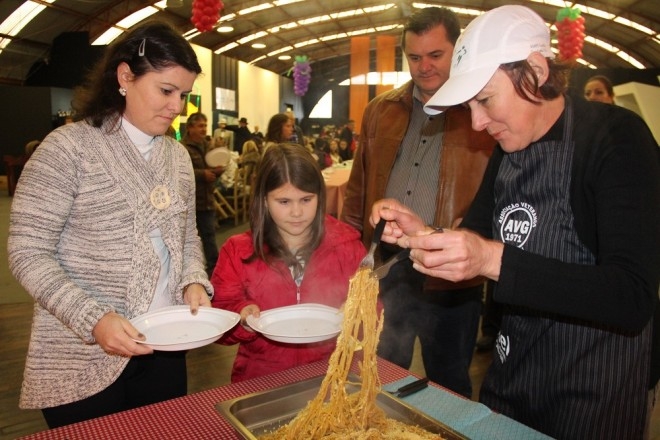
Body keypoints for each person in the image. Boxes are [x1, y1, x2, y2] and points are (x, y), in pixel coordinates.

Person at [373, 5, 660, 439]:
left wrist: (492, 260)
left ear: (535, 71)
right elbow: (477, 234)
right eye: (471, 105)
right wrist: (425, 234)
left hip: (592, 390)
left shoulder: (618, 140)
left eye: (485, 100)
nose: (478, 122)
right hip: (513, 375)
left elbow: (631, 296)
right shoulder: (508, 150)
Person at [7, 20, 213, 428]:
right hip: (81, 353)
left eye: (184, 95)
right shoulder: (67, 149)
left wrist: (192, 278)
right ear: (124, 76)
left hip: (164, 344)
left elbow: (187, 235)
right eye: (166, 91)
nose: (177, 107)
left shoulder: (177, 157)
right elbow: (27, 252)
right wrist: (93, 318)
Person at [341, 6, 496, 398]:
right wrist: (349, 252)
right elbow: (358, 188)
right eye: (414, 57)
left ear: (456, 51)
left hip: (452, 272)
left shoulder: (481, 112)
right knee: (380, 371)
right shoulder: (380, 111)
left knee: (449, 380)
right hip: (387, 265)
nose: (424, 67)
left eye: (435, 55)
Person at [210, 143, 366, 382]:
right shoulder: (237, 250)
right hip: (261, 378)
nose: (296, 212)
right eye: (283, 202)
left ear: (320, 196)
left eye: (306, 200)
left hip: (331, 374)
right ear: (263, 200)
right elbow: (220, 314)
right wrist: (241, 314)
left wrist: (356, 311)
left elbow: (372, 306)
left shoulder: (346, 245)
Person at [183, 112, 224, 277]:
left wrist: (218, 171)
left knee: (209, 238)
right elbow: (182, 173)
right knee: (189, 241)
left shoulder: (208, 146)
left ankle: (215, 273)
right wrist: (202, 175)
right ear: (190, 127)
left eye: (205, 126)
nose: (204, 129)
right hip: (190, 203)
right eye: (200, 126)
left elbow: (212, 167)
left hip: (207, 200)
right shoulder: (182, 147)